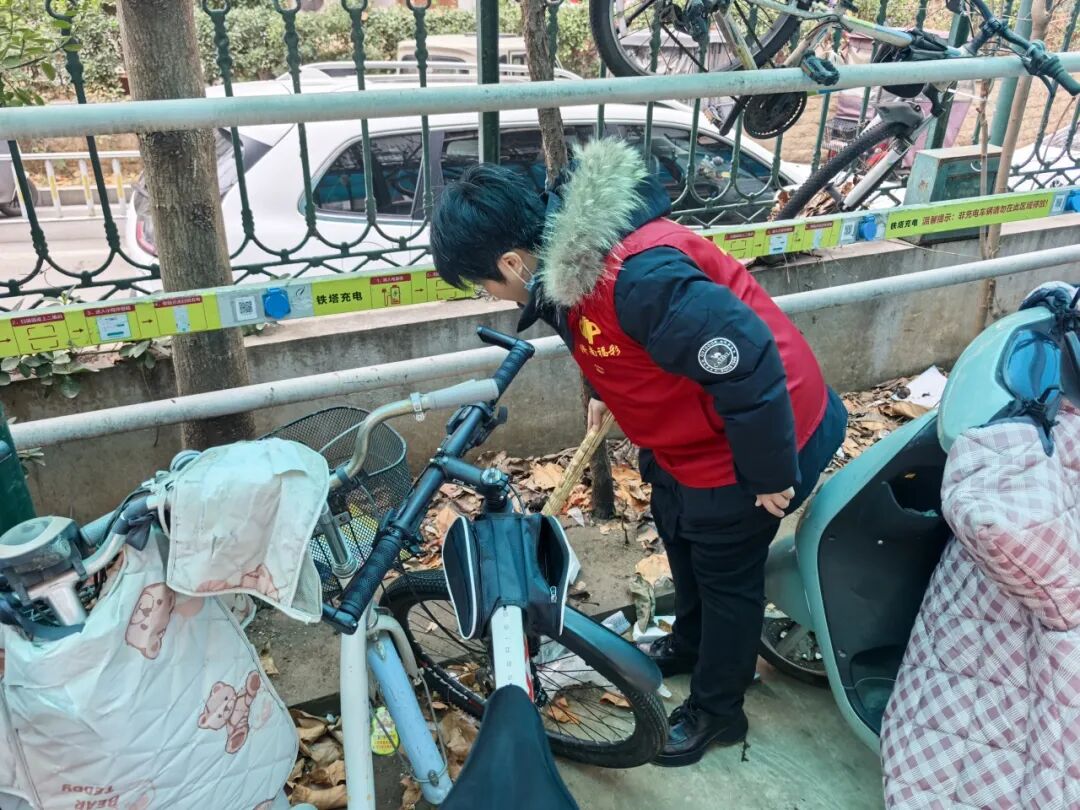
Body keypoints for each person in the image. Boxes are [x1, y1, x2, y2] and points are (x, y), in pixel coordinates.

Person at [430, 138, 847, 767]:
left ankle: (718, 711)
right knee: (681, 532)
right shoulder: (569, 265)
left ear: (512, 262)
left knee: (726, 574)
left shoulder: (638, 277)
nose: (490, 296)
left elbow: (746, 363)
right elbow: (617, 338)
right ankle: (690, 644)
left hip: (764, 432)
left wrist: (767, 474)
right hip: (691, 436)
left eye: (483, 283)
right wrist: (608, 390)